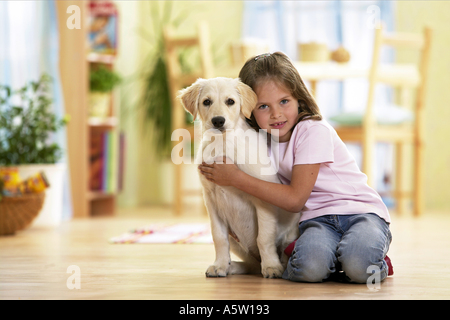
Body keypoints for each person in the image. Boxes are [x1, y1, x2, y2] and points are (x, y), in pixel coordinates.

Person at [198, 52, 393, 283]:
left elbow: (295, 200)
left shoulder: (313, 130)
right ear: (248, 107)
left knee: (360, 266)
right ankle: (342, 257)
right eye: (263, 106)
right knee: (306, 270)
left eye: (284, 101)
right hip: (316, 221)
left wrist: (236, 178)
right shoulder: (260, 140)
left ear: (299, 98)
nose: (276, 114)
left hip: (360, 214)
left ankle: (370, 260)